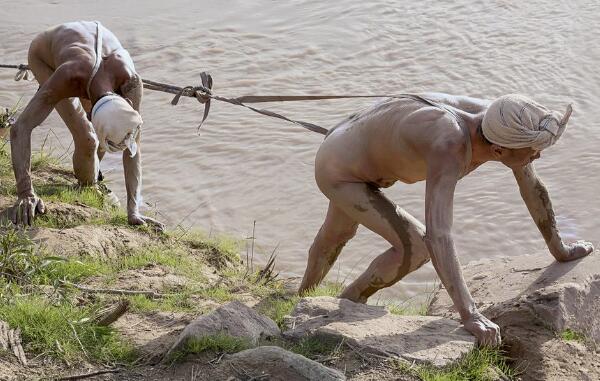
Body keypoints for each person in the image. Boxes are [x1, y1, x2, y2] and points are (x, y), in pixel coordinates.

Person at [298, 92, 594, 346]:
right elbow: (439, 235)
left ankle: (304, 303)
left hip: (354, 145)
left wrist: (560, 250)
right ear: (499, 150)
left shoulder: (502, 119)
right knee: (415, 247)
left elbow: (531, 187)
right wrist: (470, 314)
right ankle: (345, 304)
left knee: (336, 234)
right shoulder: (450, 145)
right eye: (533, 151)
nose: (537, 157)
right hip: (340, 169)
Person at [10, 21, 164, 231]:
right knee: (87, 139)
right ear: (91, 113)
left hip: (90, 52)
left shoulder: (131, 83)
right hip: (46, 56)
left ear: (127, 103)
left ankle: (90, 182)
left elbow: (133, 146)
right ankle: (87, 184)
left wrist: (133, 209)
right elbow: (20, 128)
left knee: (101, 140)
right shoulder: (68, 77)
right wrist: (25, 192)